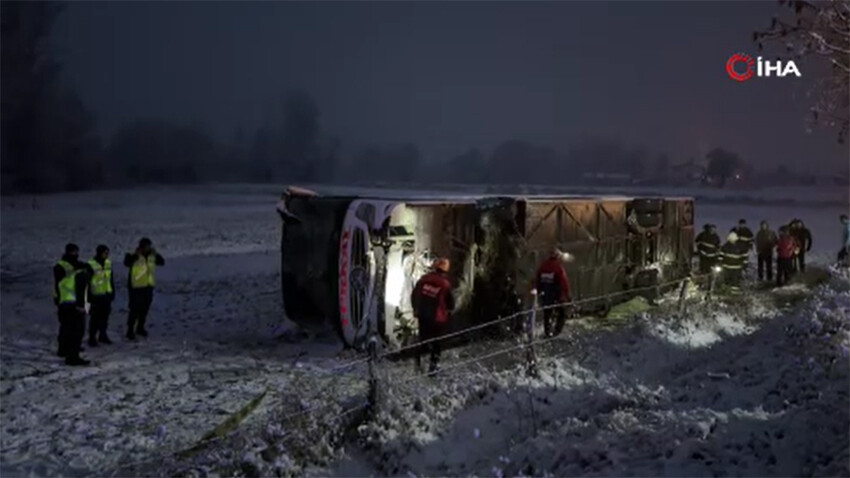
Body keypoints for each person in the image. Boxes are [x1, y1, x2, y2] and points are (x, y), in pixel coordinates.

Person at [411, 257, 455, 375]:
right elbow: (451, 304)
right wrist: (449, 312)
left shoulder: (423, 279)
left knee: (423, 339)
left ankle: (417, 362)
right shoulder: (445, 284)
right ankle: (433, 366)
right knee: (437, 342)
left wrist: (415, 309)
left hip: (422, 315)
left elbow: (414, 294)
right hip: (437, 318)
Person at [54, 243, 91, 366]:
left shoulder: (62, 266)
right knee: (76, 331)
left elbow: (57, 284)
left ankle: (64, 350)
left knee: (66, 328)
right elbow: (79, 286)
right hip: (75, 302)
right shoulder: (69, 268)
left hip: (65, 301)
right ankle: (72, 356)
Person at [124, 238, 165, 340]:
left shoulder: (151, 256)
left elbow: (162, 262)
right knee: (134, 310)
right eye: (146, 246)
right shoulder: (134, 256)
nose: (147, 248)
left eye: (149, 246)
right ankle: (130, 330)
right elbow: (127, 263)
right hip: (136, 288)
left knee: (144, 310)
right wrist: (135, 256)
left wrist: (156, 254)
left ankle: (140, 327)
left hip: (147, 287)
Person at [533, 248, 572, 338]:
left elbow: (537, 280)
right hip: (556, 296)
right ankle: (557, 332)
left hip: (545, 295)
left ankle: (547, 332)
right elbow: (564, 283)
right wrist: (568, 296)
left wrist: (537, 292)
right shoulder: (558, 268)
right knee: (562, 313)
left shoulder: (542, 266)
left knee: (547, 314)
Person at [87, 245, 115, 346]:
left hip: (106, 294)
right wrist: (88, 299)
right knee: (94, 318)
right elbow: (87, 282)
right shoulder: (91, 264)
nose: (107, 255)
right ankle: (92, 337)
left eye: (107, 253)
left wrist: (112, 292)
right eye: (105, 253)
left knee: (105, 317)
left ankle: (102, 335)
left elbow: (110, 279)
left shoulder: (108, 263)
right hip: (95, 296)